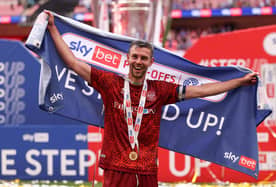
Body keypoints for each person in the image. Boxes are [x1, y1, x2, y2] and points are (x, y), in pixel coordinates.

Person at [45, 10, 258, 187]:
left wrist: (238, 83)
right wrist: (53, 29)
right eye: (135, 57)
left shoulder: (160, 90)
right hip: (115, 167)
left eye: (143, 58)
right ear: (127, 59)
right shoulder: (110, 82)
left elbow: (201, 91)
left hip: (146, 169)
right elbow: (74, 63)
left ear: (151, 62)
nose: (138, 61)